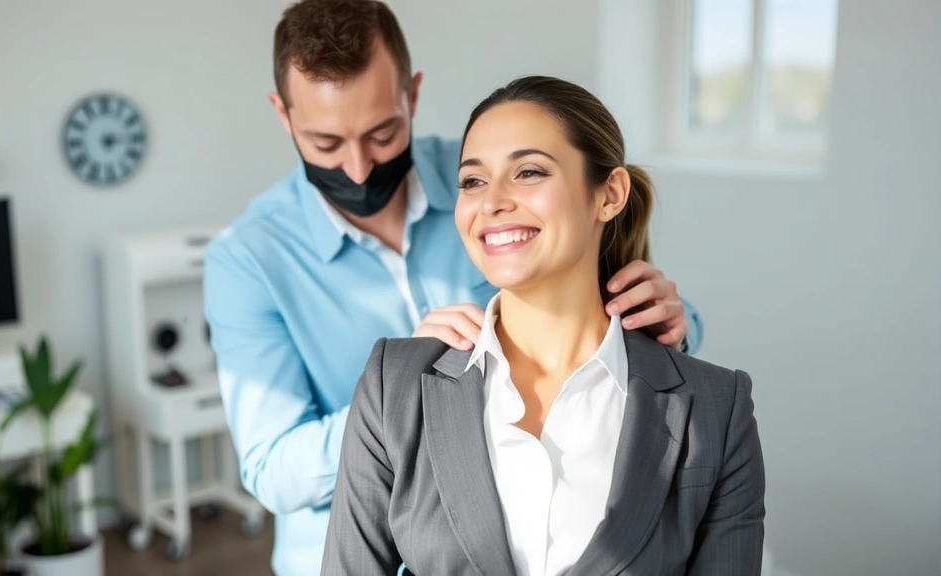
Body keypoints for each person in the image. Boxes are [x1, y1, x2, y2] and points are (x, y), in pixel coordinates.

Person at [203, 1, 705, 574]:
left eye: (383, 133)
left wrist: (673, 318)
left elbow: (620, 318)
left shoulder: (488, 186)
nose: (360, 169)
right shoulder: (246, 260)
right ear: (283, 114)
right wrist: (400, 396)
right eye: (326, 144)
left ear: (412, 95)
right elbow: (274, 470)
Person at [322, 75, 765, 576]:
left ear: (610, 194)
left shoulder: (717, 409)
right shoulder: (393, 385)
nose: (491, 202)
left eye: (529, 172)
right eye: (472, 180)